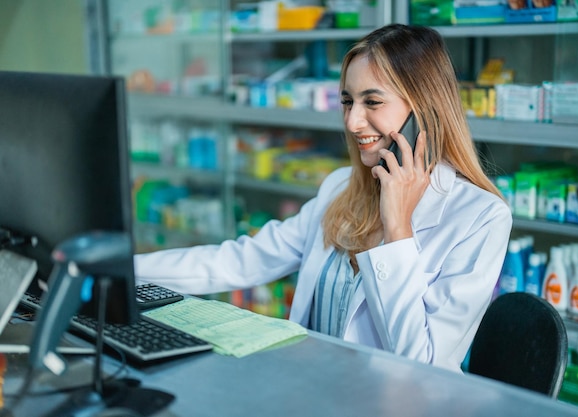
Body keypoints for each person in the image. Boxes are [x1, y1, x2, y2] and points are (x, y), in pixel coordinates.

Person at [134, 24, 513, 372]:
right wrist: (124, 269)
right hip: (315, 388)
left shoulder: (480, 218)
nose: (352, 122)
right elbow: (243, 260)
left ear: (424, 113)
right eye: (348, 101)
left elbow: (420, 364)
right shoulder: (340, 187)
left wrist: (397, 227)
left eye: (373, 102)